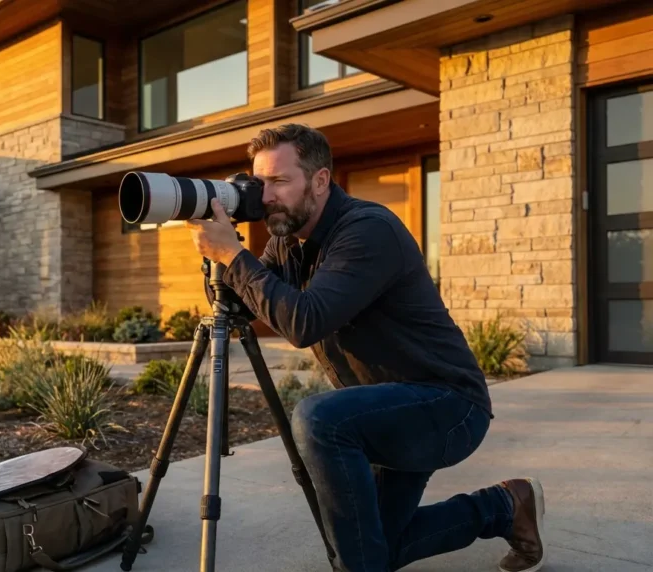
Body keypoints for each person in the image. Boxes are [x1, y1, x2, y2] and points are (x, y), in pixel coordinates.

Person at [186, 123, 546, 572]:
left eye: (279, 181)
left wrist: (233, 258)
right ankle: (505, 506)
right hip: (381, 411)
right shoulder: (285, 239)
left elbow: (303, 322)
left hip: (448, 406)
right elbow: (245, 305)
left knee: (319, 420)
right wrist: (220, 255)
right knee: (376, 547)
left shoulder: (367, 230)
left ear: (320, 181)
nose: (267, 195)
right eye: (260, 183)